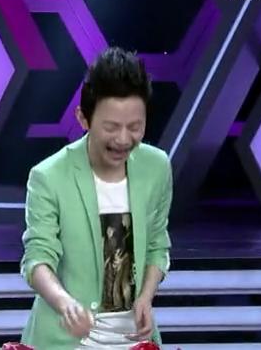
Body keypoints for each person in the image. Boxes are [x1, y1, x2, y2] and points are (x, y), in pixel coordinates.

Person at [20, 47, 172, 349]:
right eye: (111, 127)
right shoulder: (49, 176)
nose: (124, 139)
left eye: (135, 127)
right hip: (68, 340)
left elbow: (157, 243)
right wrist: (66, 304)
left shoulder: (156, 167)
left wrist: (146, 296)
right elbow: (37, 258)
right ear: (83, 118)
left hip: (135, 340)